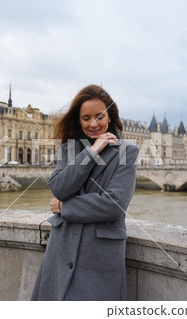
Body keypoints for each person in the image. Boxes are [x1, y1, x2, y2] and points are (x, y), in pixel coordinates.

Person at [31, 84, 139, 301]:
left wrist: (65, 207)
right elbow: (60, 187)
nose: (93, 124)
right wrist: (92, 151)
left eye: (99, 116)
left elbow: (114, 204)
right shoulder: (69, 149)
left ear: (110, 117)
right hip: (61, 249)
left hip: (99, 254)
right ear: (78, 120)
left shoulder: (127, 151)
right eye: (86, 118)